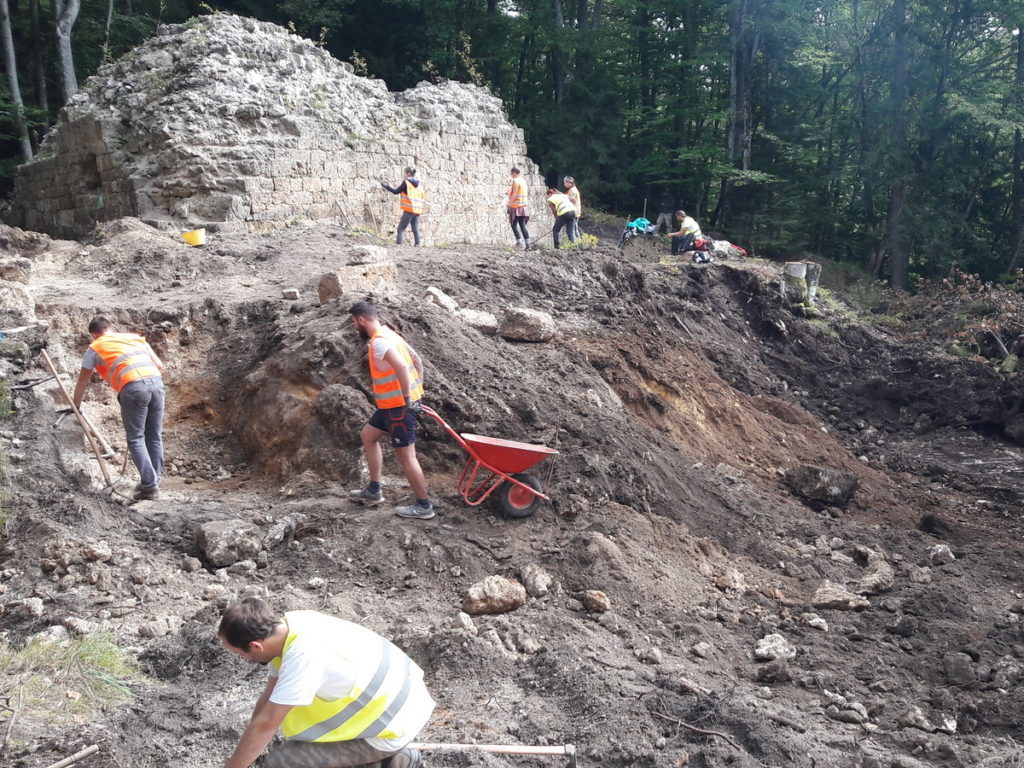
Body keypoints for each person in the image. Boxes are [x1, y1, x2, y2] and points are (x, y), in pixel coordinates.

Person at [218, 597, 434, 768]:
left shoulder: (303, 657)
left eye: (240, 653)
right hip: (406, 702)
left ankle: (393, 761)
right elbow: (267, 702)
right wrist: (249, 741)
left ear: (256, 646)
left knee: (283, 761)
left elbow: (267, 725)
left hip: (390, 727)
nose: (243, 658)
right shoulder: (295, 624)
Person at [348, 301, 434, 520]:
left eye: (354, 322)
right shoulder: (390, 334)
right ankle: (374, 490)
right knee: (368, 436)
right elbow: (417, 361)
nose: (354, 327)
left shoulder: (379, 342)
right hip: (389, 406)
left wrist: (408, 399)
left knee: (406, 457)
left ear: (361, 320)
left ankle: (424, 506)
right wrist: (416, 392)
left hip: (399, 407)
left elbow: (403, 366)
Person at [72, 316, 164, 501]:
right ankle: (153, 481)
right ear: (111, 328)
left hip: (134, 389)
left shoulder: (95, 347)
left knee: (136, 439)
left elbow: (83, 381)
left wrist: (75, 405)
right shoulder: (135, 338)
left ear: (94, 335)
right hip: (157, 385)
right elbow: (159, 365)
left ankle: (150, 487)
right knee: (154, 436)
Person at [381, 167, 425, 246]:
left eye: (404, 173)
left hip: (409, 209)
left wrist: (386, 186)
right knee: (415, 229)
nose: (403, 175)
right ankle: (418, 244)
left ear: (408, 173)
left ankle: (399, 246)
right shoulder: (419, 184)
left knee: (400, 229)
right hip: (418, 210)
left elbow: (396, 191)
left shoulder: (406, 183)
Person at [507, 166, 531, 250]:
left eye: (511, 174)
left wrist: (509, 204)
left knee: (513, 224)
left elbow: (514, 194)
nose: (511, 175)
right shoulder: (523, 181)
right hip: (523, 206)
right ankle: (528, 244)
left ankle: (519, 242)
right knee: (522, 225)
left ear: (514, 173)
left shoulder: (516, 181)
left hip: (516, 206)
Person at [562, 176, 582, 240]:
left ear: (569, 182)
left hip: (573, 213)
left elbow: (572, 201)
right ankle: (579, 243)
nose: (564, 184)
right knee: (575, 230)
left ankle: (574, 244)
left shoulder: (572, 190)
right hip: (576, 212)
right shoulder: (574, 189)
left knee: (571, 231)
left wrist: (564, 196)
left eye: (565, 182)